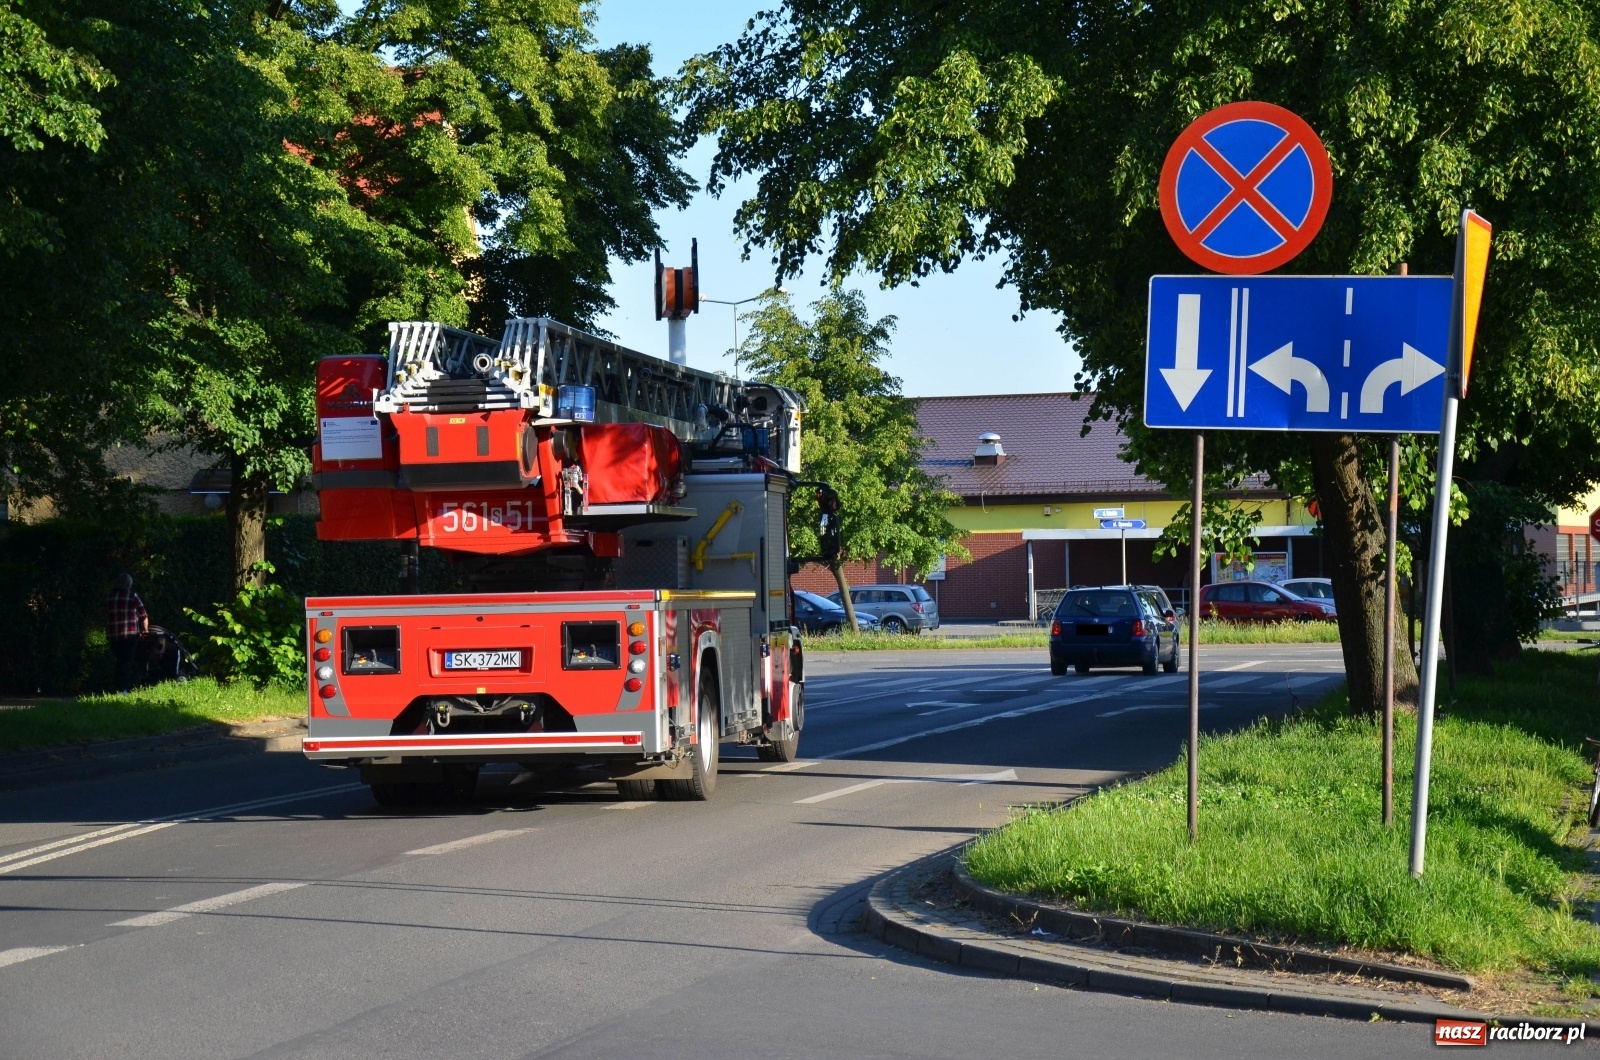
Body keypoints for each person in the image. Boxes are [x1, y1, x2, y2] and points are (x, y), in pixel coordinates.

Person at [106, 573, 150, 693]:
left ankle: (118, 687)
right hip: (130, 635)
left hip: (113, 635)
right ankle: (122, 689)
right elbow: (143, 615)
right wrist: (145, 630)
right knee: (126, 661)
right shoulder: (132, 596)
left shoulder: (109, 597)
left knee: (120, 660)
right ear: (129, 585)